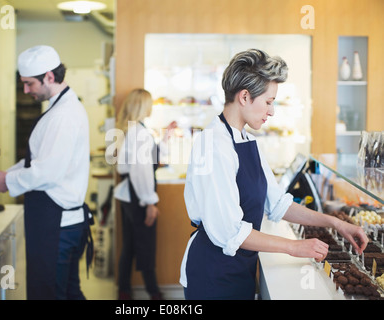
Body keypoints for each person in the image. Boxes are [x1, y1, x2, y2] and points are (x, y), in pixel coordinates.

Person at [179, 49, 368, 300]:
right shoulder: (211, 145)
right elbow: (230, 232)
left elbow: (278, 204)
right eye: (268, 102)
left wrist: (335, 223)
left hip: (241, 270)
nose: (272, 111)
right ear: (244, 97)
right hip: (212, 275)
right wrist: (294, 247)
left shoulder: (248, 140)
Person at [0, 45, 92, 300]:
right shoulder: (59, 107)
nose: (25, 91)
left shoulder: (63, 115)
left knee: (48, 294)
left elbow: (47, 172)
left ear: (49, 77)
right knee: (67, 292)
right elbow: (40, 160)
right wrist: (6, 176)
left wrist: (7, 182)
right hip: (62, 223)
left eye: (29, 84)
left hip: (57, 226)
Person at [113, 88, 176, 300]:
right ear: (143, 106)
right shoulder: (139, 133)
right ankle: (154, 293)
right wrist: (149, 202)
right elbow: (143, 172)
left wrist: (166, 138)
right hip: (139, 196)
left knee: (130, 246)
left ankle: (124, 291)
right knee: (146, 246)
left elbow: (150, 159)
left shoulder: (134, 130)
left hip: (129, 195)